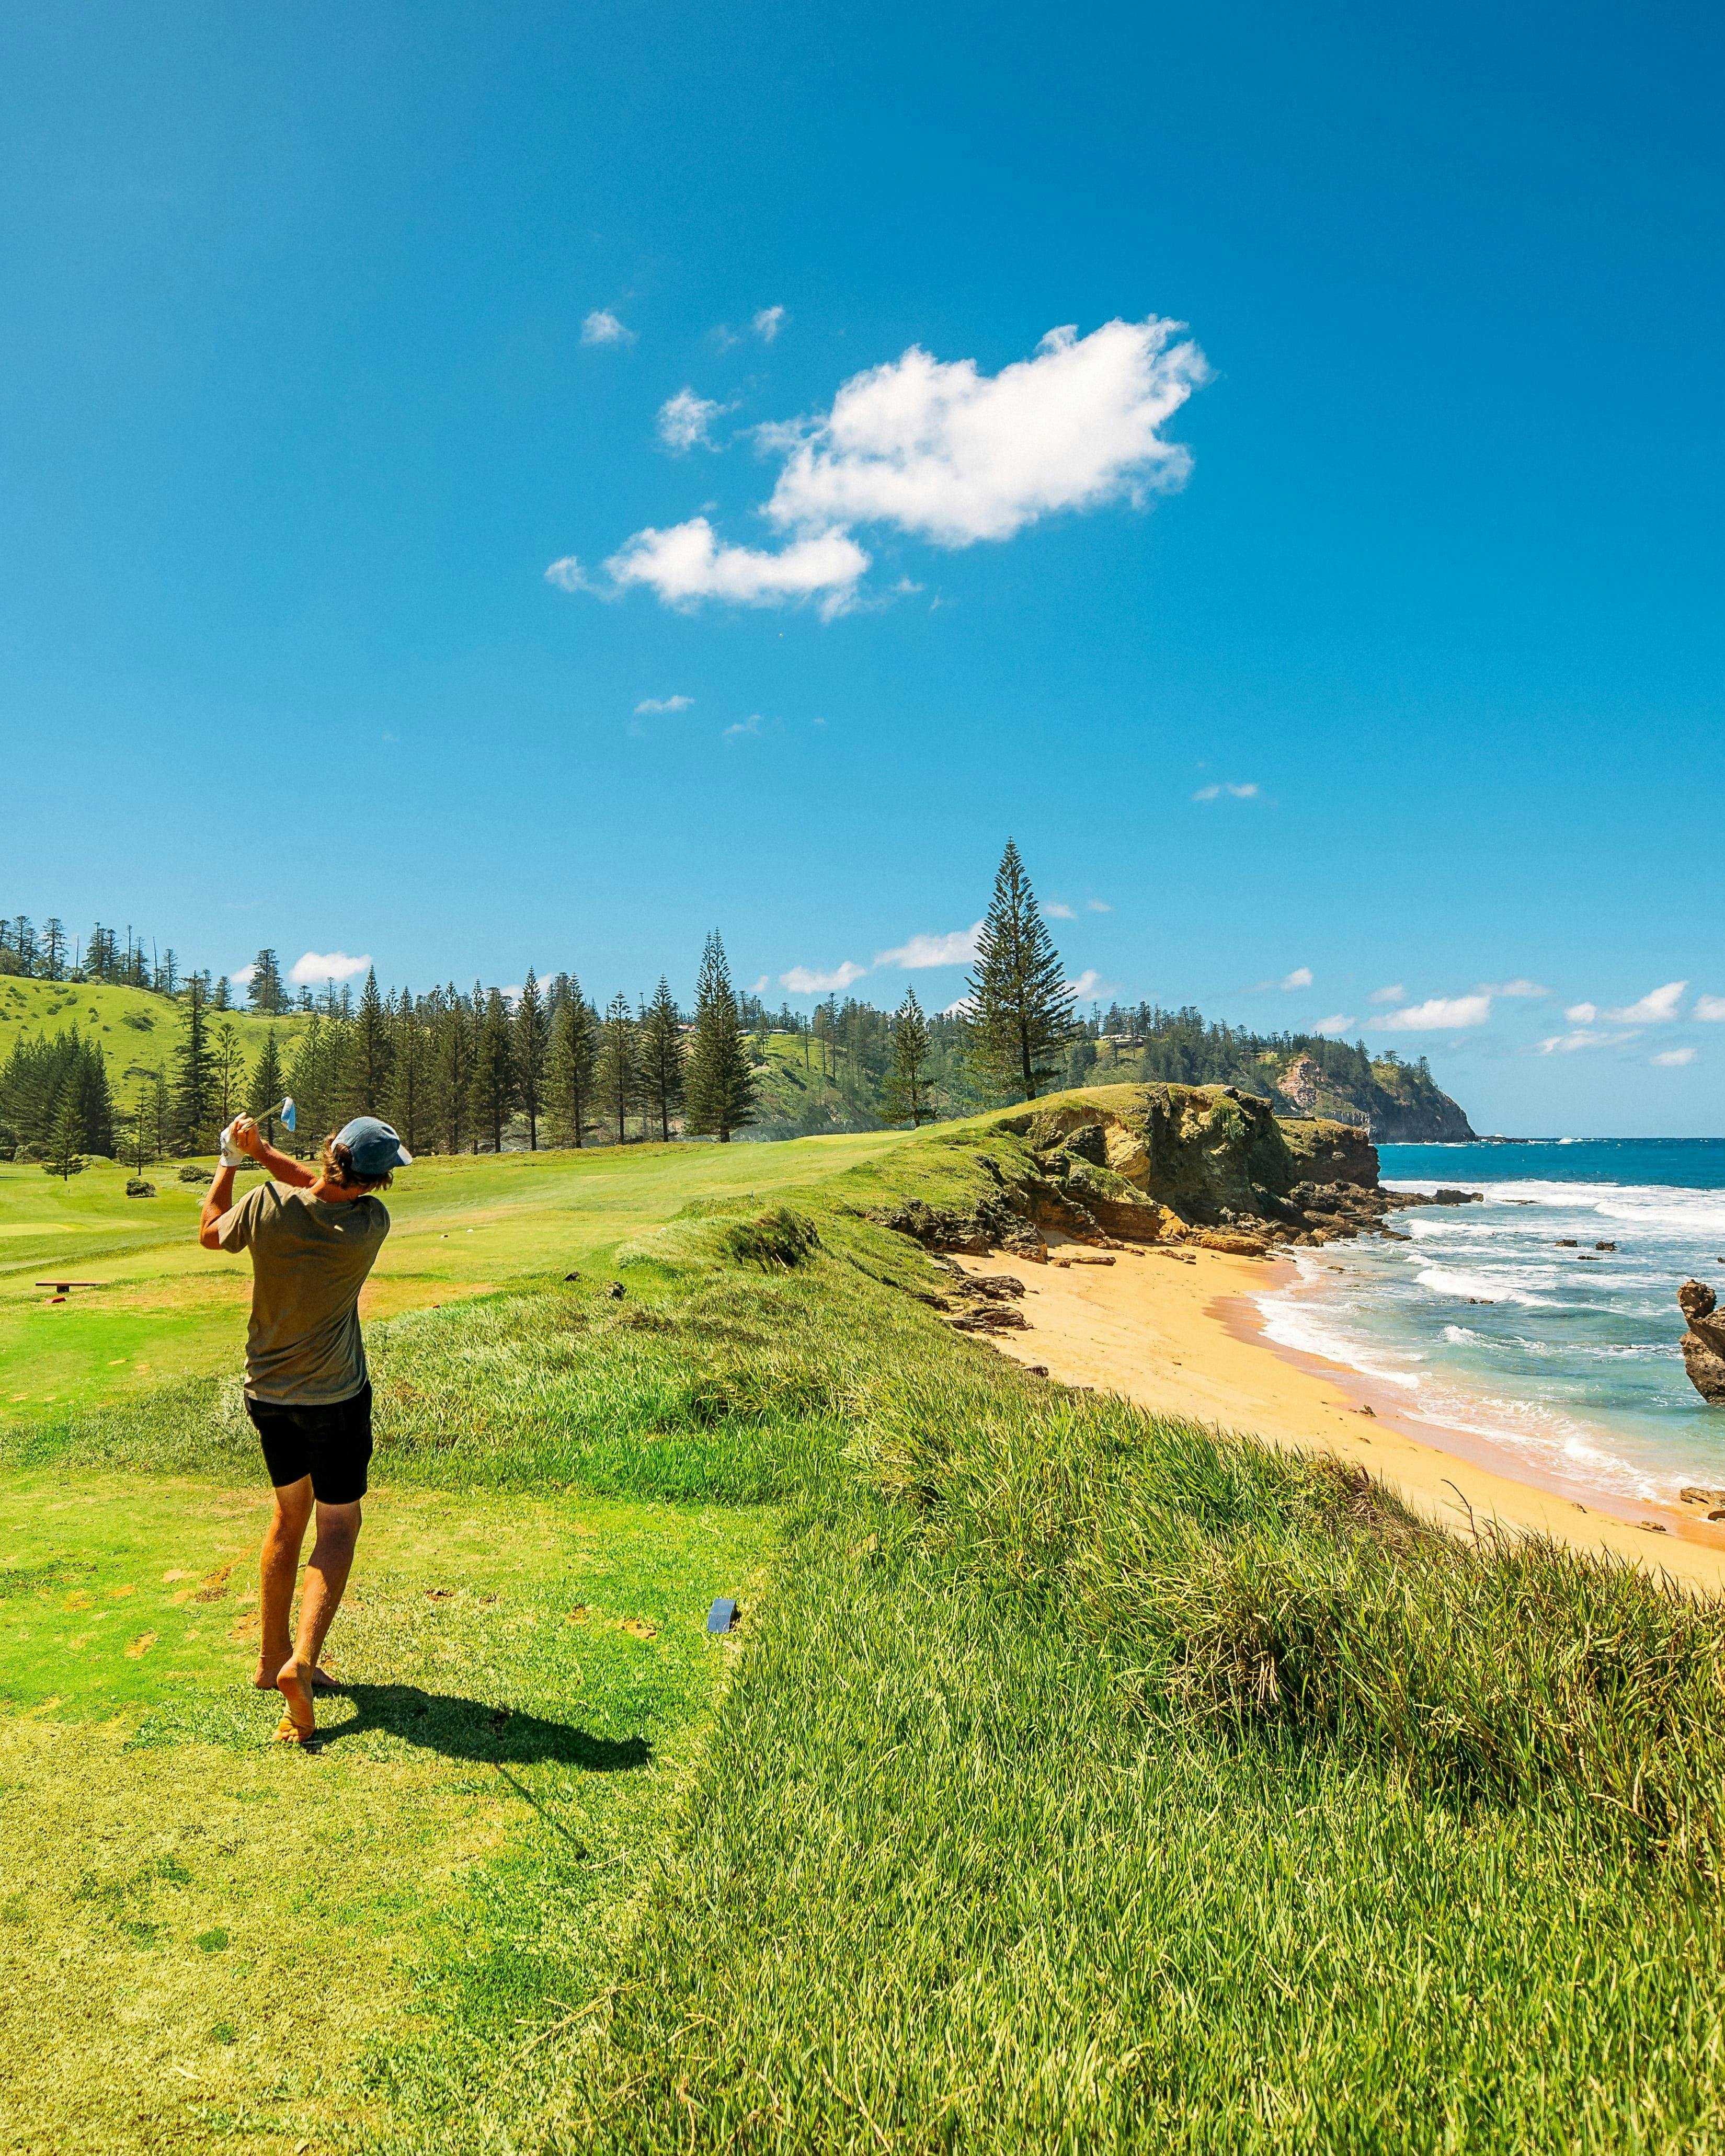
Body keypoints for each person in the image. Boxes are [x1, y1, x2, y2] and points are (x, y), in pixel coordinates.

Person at [199, 1114, 412, 1744]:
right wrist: (264, 1152)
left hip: (266, 1395)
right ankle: (302, 1661)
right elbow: (322, 1187)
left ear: (329, 1152)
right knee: (339, 1524)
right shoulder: (372, 1223)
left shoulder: (268, 1206)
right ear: (378, 1179)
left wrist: (234, 1159)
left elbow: (211, 1232)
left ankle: (270, 1657)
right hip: (335, 1400)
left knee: (287, 1518)